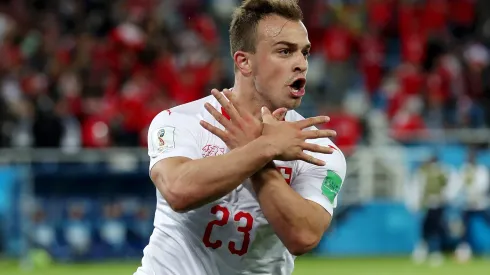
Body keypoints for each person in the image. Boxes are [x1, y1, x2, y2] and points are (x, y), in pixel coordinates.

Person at [134, 1, 347, 274]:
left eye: (304, 53)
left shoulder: (318, 149)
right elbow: (178, 190)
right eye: (285, 51)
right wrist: (264, 147)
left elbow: (304, 236)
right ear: (244, 62)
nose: (301, 64)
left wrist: (257, 153)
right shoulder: (179, 121)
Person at [408, 155, 449, 266]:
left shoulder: (441, 172)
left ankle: (435, 251)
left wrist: (444, 197)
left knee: (435, 228)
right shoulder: (423, 172)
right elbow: (417, 188)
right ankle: (423, 250)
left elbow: (448, 186)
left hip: (437, 204)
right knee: (425, 228)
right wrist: (416, 203)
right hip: (426, 205)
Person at [453, 148, 490, 262]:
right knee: (464, 228)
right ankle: (463, 251)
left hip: (480, 203)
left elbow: (484, 185)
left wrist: (476, 194)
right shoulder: (464, 170)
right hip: (467, 204)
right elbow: (458, 186)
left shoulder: (481, 170)